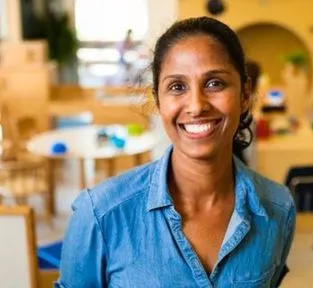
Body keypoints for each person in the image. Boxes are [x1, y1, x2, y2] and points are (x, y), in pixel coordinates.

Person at [57, 17, 296, 287]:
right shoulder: (100, 214)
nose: (196, 106)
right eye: (177, 87)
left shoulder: (278, 208)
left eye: (215, 83)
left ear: (244, 94)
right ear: (158, 101)